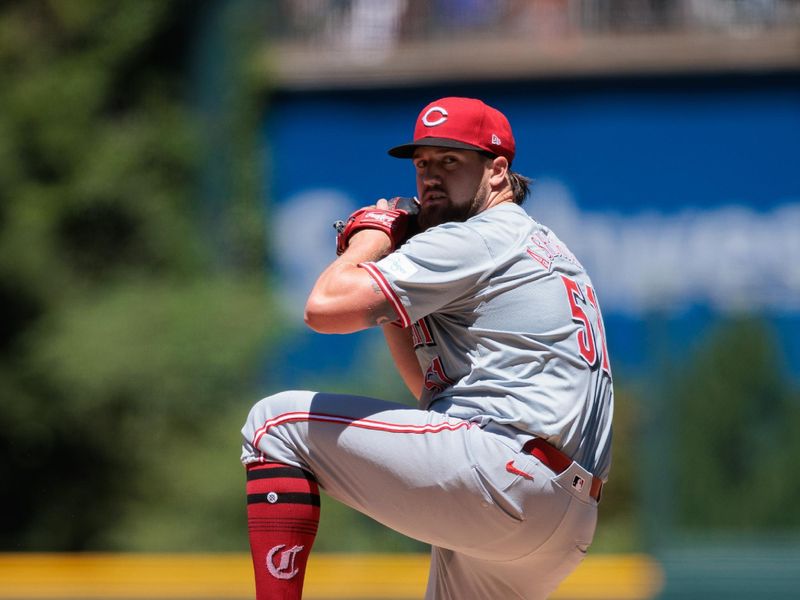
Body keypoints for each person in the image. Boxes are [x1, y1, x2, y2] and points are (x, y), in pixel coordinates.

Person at [241, 96, 614, 599]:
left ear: (498, 172)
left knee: (273, 426)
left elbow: (324, 307)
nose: (431, 177)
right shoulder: (541, 245)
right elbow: (431, 391)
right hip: (564, 518)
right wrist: (392, 284)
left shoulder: (476, 238)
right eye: (423, 163)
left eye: (451, 161)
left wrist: (370, 241)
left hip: (507, 475)